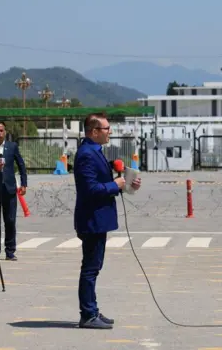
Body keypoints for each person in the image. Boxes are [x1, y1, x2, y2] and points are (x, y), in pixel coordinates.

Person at [73, 113, 142, 329]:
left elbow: (100, 179)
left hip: (98, 219)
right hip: (91, 219)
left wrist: (126, 181)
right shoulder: (86, 154)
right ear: (94, 131)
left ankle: (92, 309)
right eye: (106, 129)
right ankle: (87, 314)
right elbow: (90, 189)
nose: (109, 132)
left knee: (95, 267)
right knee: (90, 268)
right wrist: (116, 185)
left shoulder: (95, 151)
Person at [0, 121, 27, 261]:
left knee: (10, 220)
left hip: (9, 189)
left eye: (1, 130)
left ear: (5, 132)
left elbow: (21, 165)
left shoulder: (12, 146)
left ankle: (10, 251)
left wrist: (24, 183)